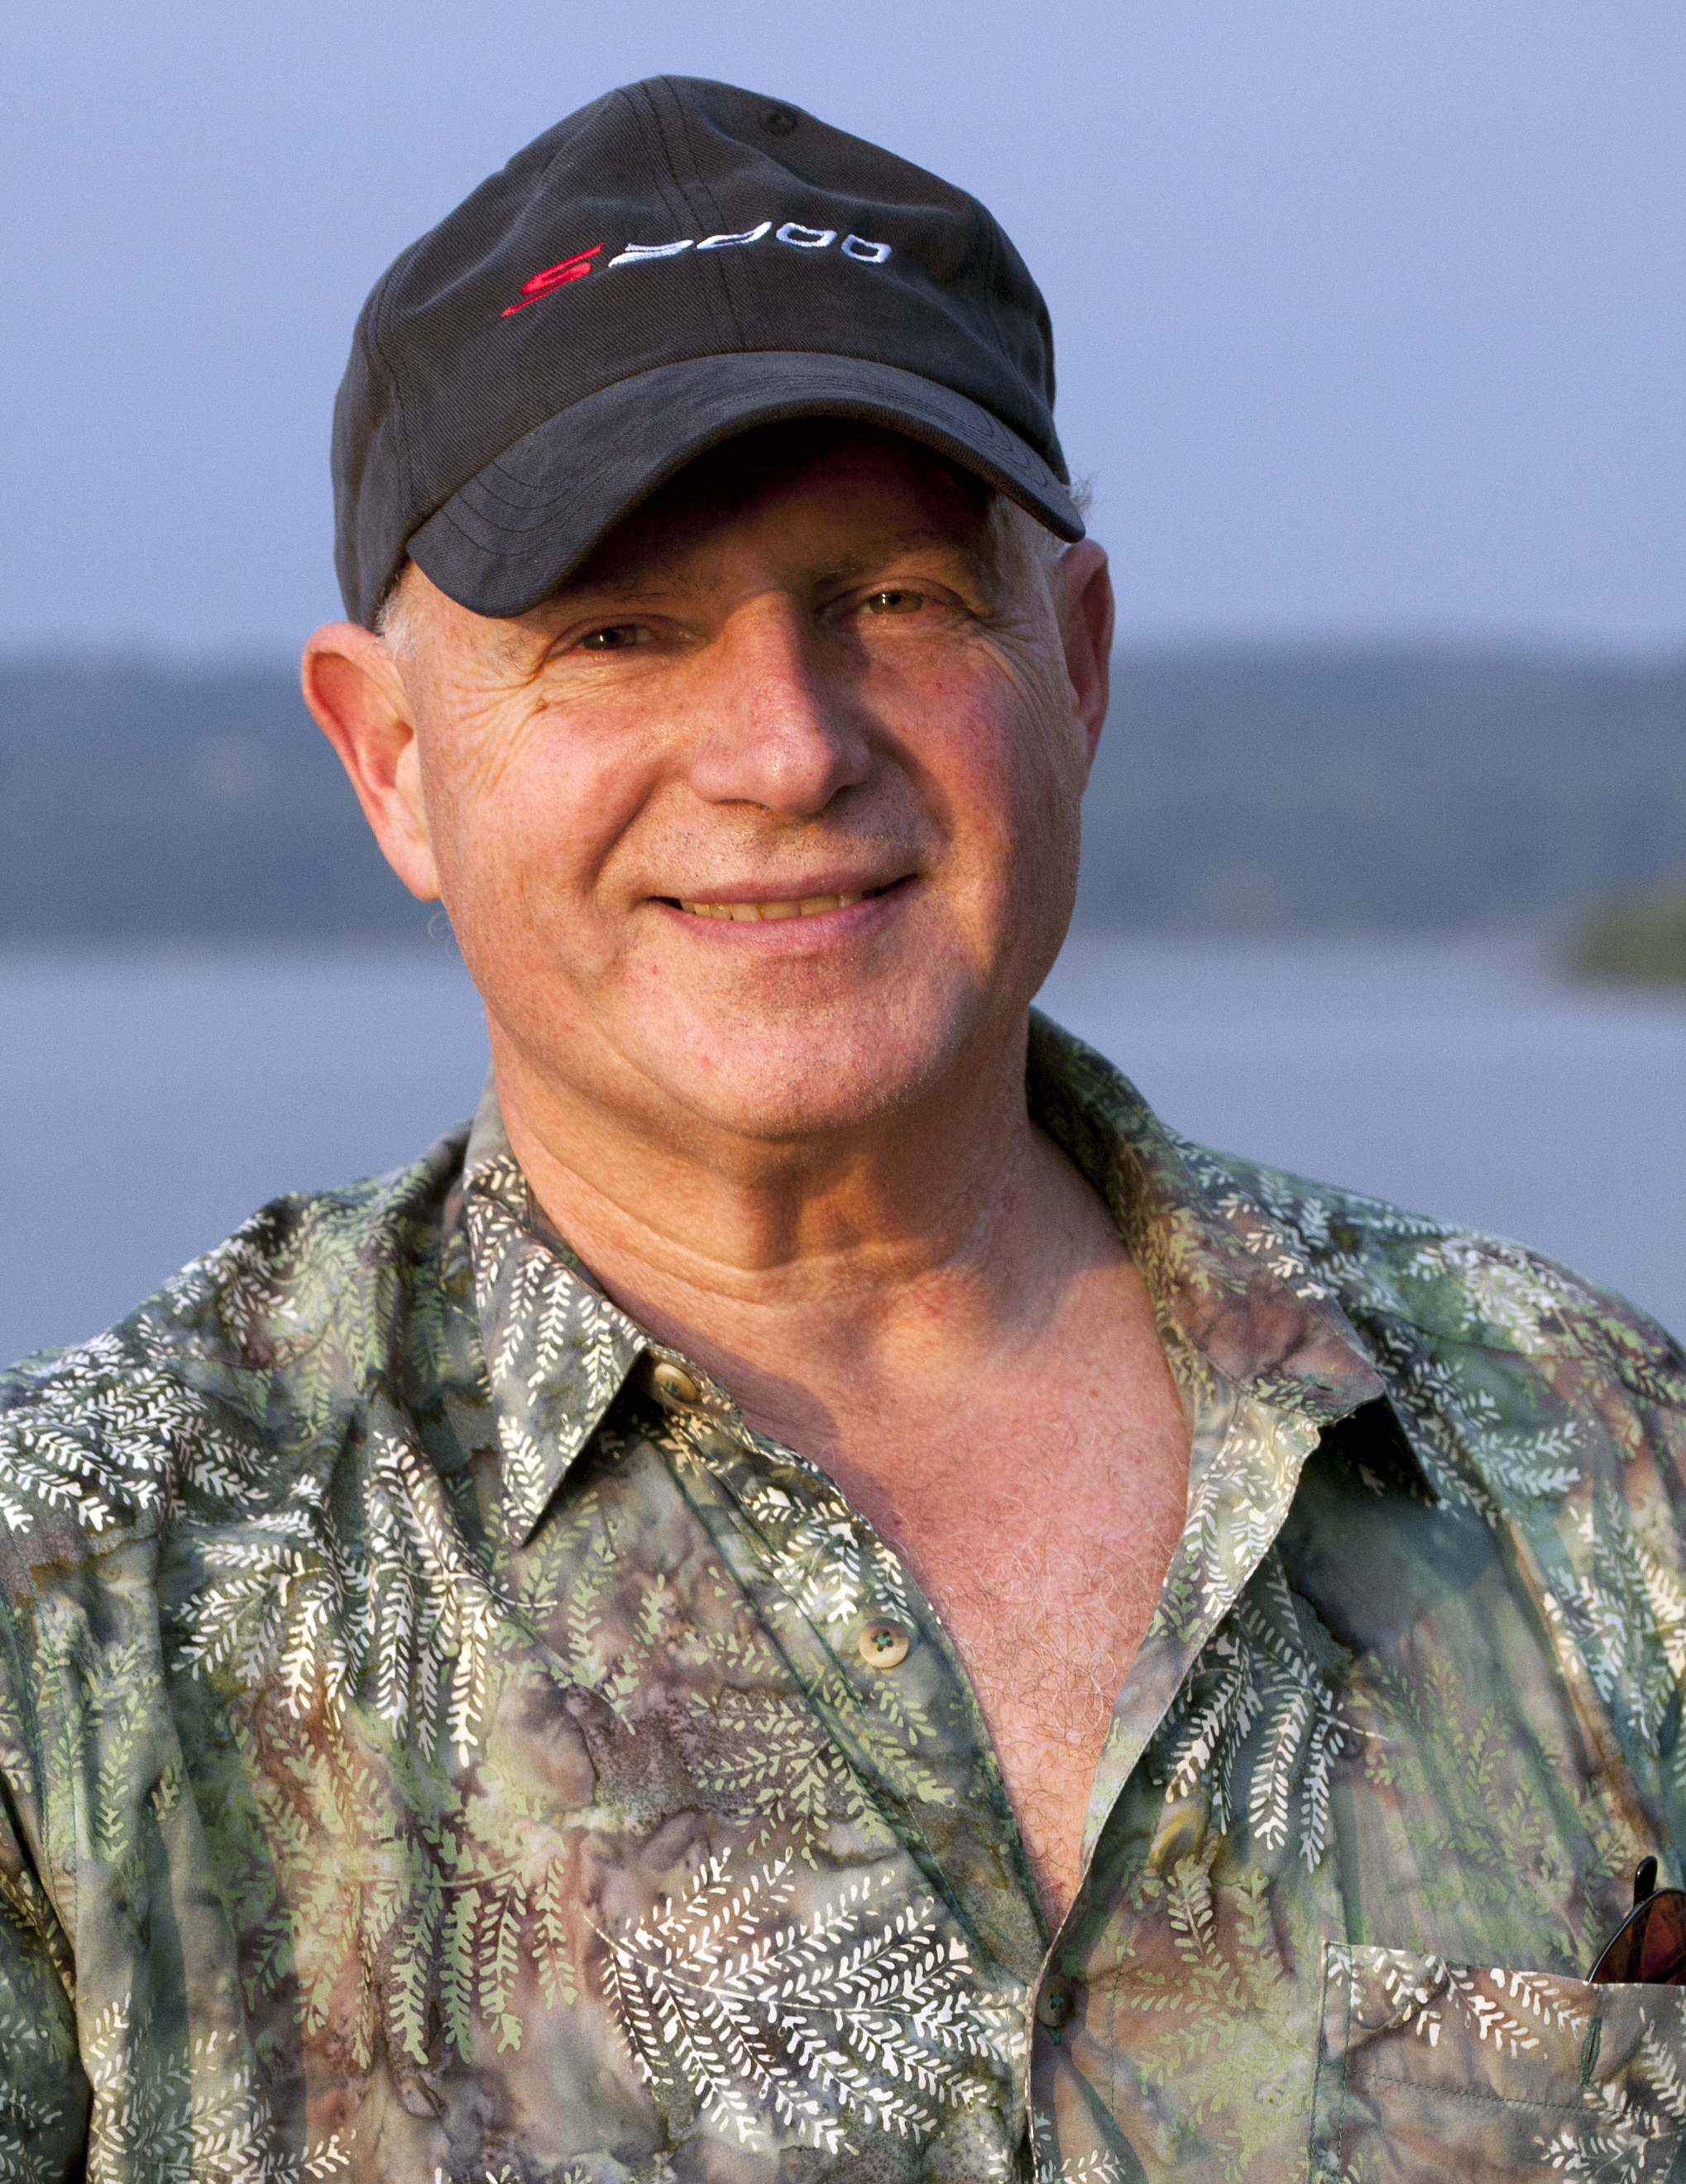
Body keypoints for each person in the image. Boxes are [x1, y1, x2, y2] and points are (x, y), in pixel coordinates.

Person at [1, 74, 1684, 2184]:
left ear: (1069, 666)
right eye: (619, 633)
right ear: (389, 758)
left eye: (891, 599)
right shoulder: (77, 1606)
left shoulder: (1605, 1465)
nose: (788, 748)